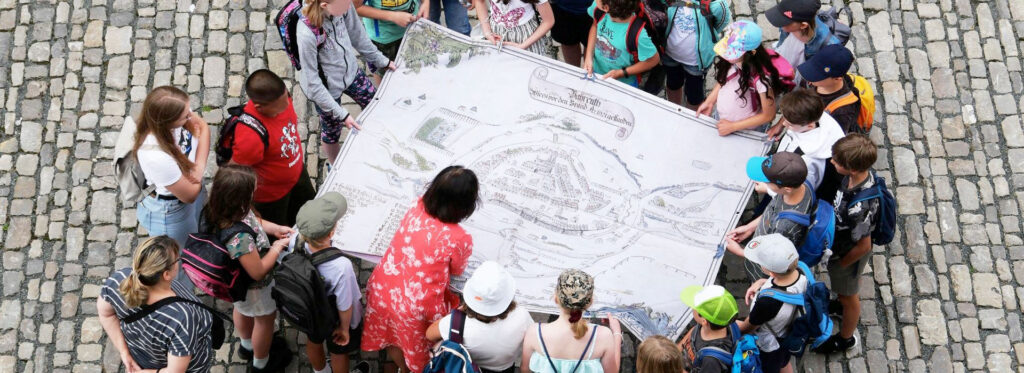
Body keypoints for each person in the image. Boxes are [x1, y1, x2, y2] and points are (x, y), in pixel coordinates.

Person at [361, 166, 480, 373]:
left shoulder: (416, 207)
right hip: (416, 308)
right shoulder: (459, 238)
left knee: (393, 339)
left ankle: (401, 368)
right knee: (420, 351)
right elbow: (458, 270)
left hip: (383, 289)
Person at [203, 165, 293, 372]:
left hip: (236, 286)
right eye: (251, 192)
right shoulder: (239, 239)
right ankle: (262, 363)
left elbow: (254, 221)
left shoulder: (219, 208)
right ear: (240, 200)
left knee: (242, 310)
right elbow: (258, 271)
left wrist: (275, 229)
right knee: (264, 319)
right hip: (254, 288)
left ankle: (246, 345)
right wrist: (277, 248)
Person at [297, 0, 397, 165]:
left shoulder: (343, 4)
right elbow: (313, 83)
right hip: (326, 90)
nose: (351, 4)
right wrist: (343, 115)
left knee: (375, 105)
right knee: (331, 131)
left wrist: (383, 61)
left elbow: (358, 36)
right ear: (324, 5)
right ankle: (334, 165)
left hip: (351, 73)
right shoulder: (306, 34)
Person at [97, 236, 214, 372]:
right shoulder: (181, 318)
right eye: (177, 260)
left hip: (143, 357)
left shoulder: (119, 280)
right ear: (166, 275)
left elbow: (106, 314)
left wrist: (125, 353)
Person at [812, 133, 878, 354]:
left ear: (852, 169)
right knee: (842, 293)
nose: (831, 162)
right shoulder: (852, 178)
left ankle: (846, 338)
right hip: (840, 245)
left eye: (836, 162)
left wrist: (841, 264)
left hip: (848, 255)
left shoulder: (860, 207)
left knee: (849, 296)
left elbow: (864, 246)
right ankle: (839, 303)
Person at [295, 191, 371, 373]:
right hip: (333, 319)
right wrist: (345, 329)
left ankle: (321, 371)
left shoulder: (294, 243)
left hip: (310, 313)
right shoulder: (341, 267)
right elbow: (345, 304)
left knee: (313, 341)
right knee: (338, 351)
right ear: (331, 232)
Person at [230, 69, 315, 229]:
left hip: (297, 176)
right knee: (283, 231)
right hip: (272, 197)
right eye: (279, 108)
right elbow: (236, 173)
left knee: (311, 212)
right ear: (259, 107)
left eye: (286, 100)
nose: (286, 107)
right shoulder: (249, 137)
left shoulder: (282, 98)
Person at [133, 86, 210, 249]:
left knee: (198, 229)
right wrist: (196, 172)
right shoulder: (157, 157)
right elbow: (189, 195)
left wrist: (198, 168)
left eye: (189, 110)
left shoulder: (178, 112)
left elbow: (203, 128)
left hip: (188, 192)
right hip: (172, 211)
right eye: (185, 116)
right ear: (167, 122)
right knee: (179, 256)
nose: (191, 116)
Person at [426, 261, 534, 373]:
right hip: (505, 369)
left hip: (466, 368)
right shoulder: (522, 316)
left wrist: (457, 313)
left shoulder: (457, 324)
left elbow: (429, 334)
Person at [725, 152, 814, 281]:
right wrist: (750, 227)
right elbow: (773, 210)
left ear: (787, 188)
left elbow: (772, 259)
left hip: (766, 271)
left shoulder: (785, 227)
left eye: (766, 181)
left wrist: (740, 251)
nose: (760, 182)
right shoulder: (802, 185)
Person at [520, 269, 622, 373]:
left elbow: (524, 369)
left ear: (556, 299)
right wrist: (617, 334)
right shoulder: (604, 335)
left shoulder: (535, 332)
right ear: (590, 302)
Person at [696, 21, 785, 136]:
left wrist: (733, 127)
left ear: (750, 53)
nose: (724, 54)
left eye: (730, 51)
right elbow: (724, 80)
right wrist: (710, 101)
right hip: (723, 120)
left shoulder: (762, 80)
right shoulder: (733, 61)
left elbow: (768, 115)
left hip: (746, 131)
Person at [736, 234, 807, 373]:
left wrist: (733, 328)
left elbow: (748, 328)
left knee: (770, 367)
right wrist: (762, 283)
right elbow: (784, 285)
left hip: (770, 346)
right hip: (787, 334)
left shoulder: (767, 302)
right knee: (784, 361)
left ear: (772, 272)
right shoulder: (801, 271)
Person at [772, 88, 845, 202]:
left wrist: (768, 190)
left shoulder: (806, 160)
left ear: (810, 126)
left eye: (790, 124)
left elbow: (797, 192)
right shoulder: (813, 116)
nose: (784, 124)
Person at [662, 0, 731, 109]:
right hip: (670, 54)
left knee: (694, 95)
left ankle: (689, 119)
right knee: (673, 84)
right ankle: (674, 109)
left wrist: (707, 35)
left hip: (696, 62)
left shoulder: (716, 4)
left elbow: (721, 21)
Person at [584, 0, 661, 87]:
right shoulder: (598, 10)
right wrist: (588, 57)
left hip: (624, 84)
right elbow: (595, 25)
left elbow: (653, 60)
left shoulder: (638, 34)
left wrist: (621, 73)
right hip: (596, 72)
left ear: (606, 8)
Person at [765, 0, 840, 85]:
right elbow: (782, 41)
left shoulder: (828, 46)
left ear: (803, 25)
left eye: (784, 22)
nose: (780, 25)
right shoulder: (791, 27)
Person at [796, 44, 862, 134]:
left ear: (837, 79)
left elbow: (834, 139)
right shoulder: (811, 82)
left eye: (816, 75)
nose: (808, 79)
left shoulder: (843, 111)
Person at [354, 0, 426, 83]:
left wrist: (426, 3)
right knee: (382, 73)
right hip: (382, 39)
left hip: (412, 29)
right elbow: (355, 8)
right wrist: (393, 16)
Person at [676, 285, 739, 373]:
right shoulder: (722, 320)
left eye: (694, 307)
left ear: (704, 321)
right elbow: (692, 333)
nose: (692, 308)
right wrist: (673, 351)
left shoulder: (711, 361)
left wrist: (674, 369)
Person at [474, 0, 555, 57]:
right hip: (496, 32)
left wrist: (522, 46)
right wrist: (487, 32)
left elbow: (548, 21)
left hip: (526, 37)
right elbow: (479, 1)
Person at [549, 0, 593, 66]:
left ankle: (587, 72)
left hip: (596, 8)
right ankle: (574, 72)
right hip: (561, 7)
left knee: (592, 45)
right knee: (568, 42)